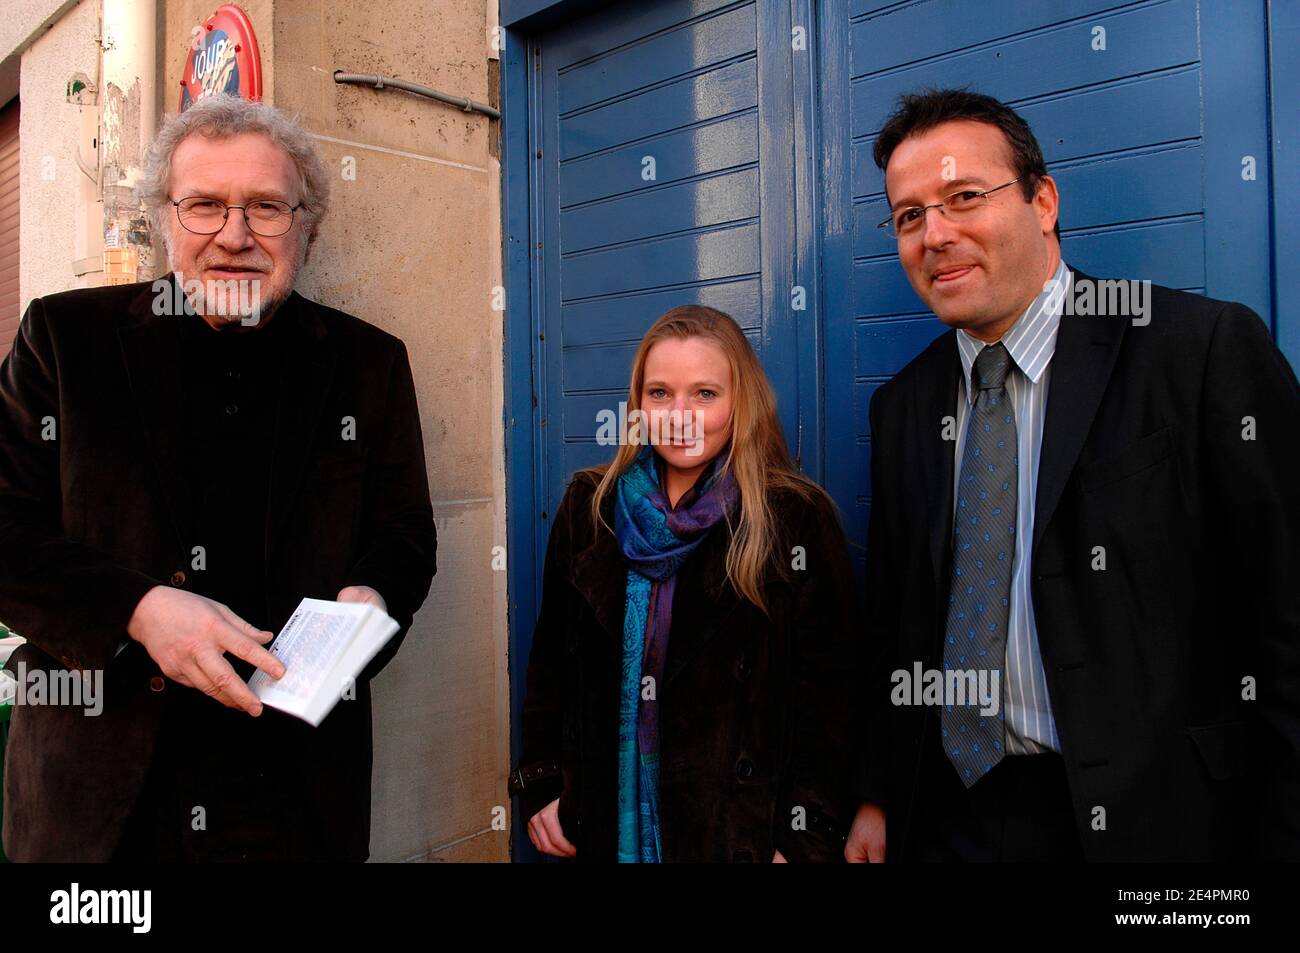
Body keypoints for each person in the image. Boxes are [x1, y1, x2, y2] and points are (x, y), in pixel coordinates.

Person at [845, 88, 1300, 863]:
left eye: (962, 197)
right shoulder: (903, 409)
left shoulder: (1197, 352)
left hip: (1160, 825)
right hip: (952, 821)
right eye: (910, 215)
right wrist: (879, 792)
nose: (936, 234)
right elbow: (899, 622)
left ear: (1043, 200)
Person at [0, 94, 437, 861]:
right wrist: (136, 610)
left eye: (267, 207)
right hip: (104, 807)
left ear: (307, 225)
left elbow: (403, 536)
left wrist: (368, 603)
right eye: (204, 205)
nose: (234, 236)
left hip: (295, 796)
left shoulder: (370, 363)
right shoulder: (65, 342)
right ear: (164, 218)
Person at [512, 305, 857, 862]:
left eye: (704, 394)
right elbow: (551, 664)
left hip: (737, 835)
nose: (679, 416)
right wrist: (544, 784)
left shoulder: (793, 518)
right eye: (659, 394)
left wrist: (803, 836)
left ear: (739, 403)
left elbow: (831, 694)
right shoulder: (589, 508)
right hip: (601, 825)